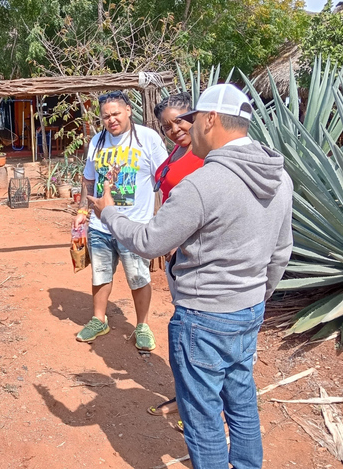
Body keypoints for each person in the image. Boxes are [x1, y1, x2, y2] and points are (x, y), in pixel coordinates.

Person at [89, 84, 293, 469]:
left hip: (203, 316)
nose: (188, 128)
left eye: (193, 119)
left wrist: (109, 212)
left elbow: (149, 241)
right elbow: (280, 252)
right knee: (241, 401)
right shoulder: (279, 177)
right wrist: (254, 297)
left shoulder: (202, 183)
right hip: (248, 309)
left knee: (202, 417)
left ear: (211, 119)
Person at [72, 91, 168, 349]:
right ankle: (98, 319)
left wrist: (165, 218)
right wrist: (83, 211)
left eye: (116, 113)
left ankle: (143, 325)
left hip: (134, 227)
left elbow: (164, 177)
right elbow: (89, 179)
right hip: (100, 226)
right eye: (106, 116)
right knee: (100, 274)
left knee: (138, 277)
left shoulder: (148, 139)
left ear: (128, 110)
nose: (111, 119)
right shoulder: (98, 142)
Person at [148, 91, 204, 418]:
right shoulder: (179, 150)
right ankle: (187, 398)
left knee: (192, 333)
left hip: (197, 257)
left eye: (179, 120)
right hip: (178, 255)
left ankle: (200, 407)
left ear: (195, 116)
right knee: (186, 329)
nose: (175, 129)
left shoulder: (207, 154)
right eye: (167, 125)